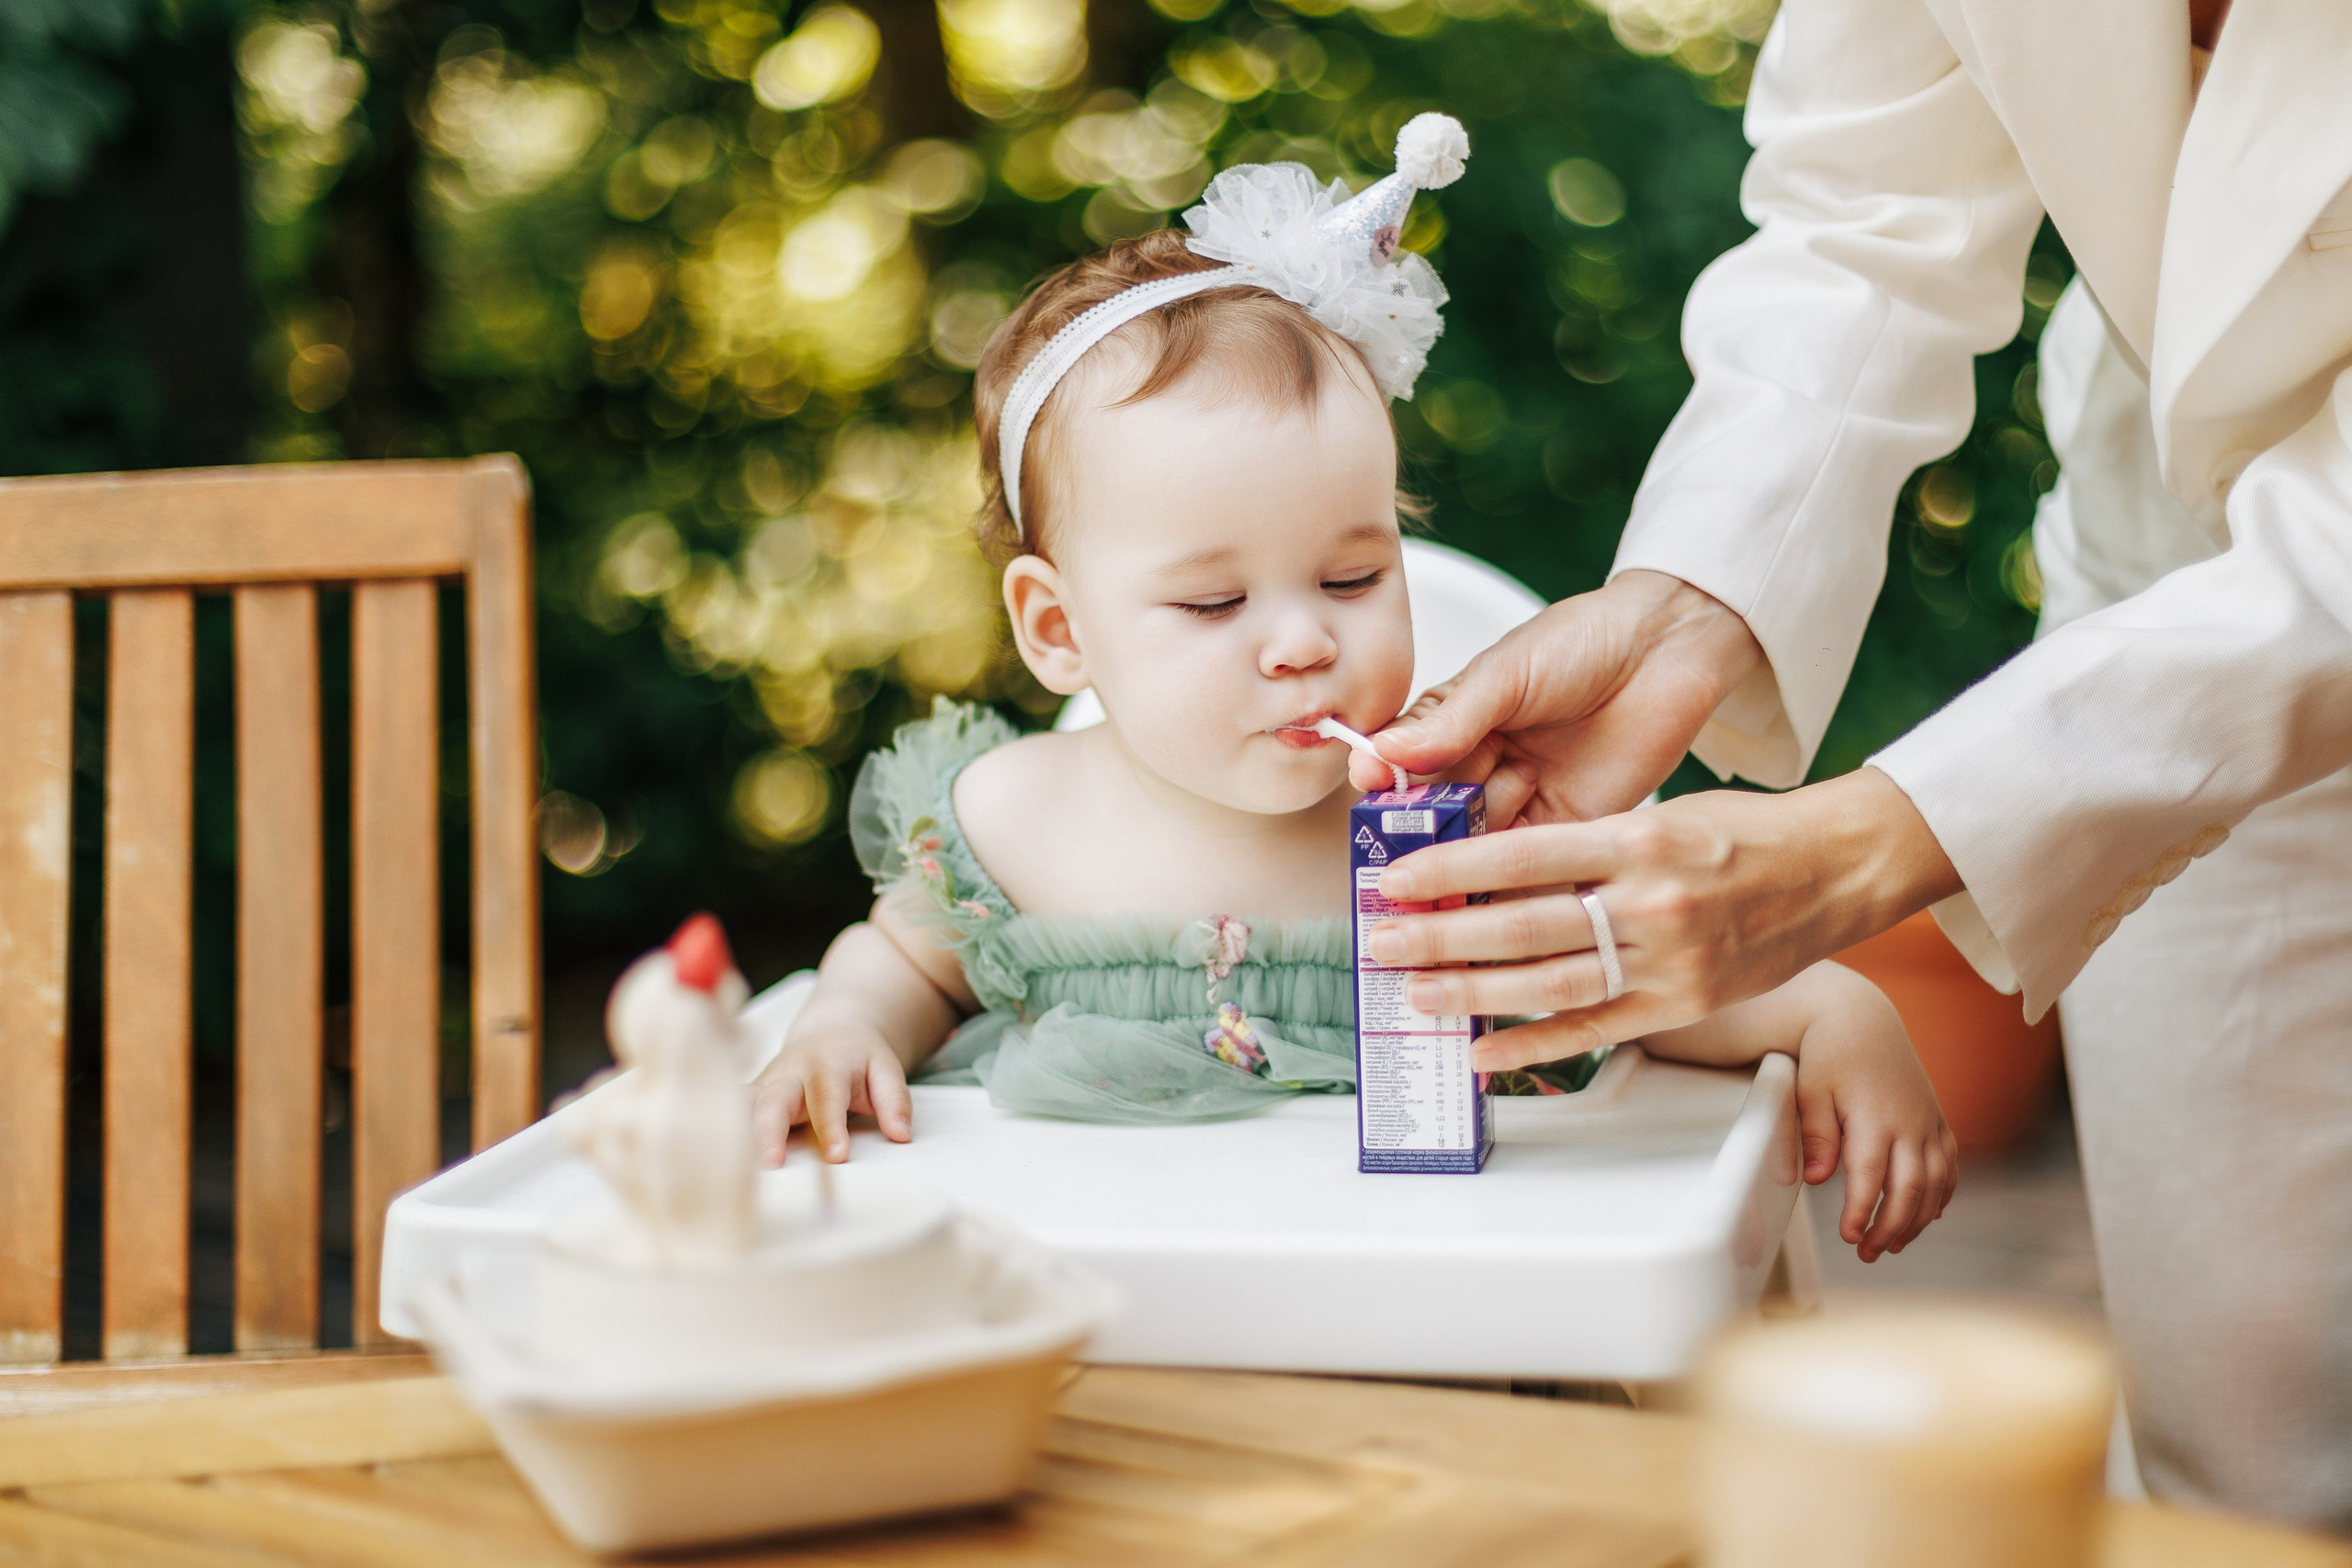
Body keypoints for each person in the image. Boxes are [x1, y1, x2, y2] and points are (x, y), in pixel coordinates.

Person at [1345, 0, 2352, 1529]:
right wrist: (1690, 598)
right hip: (2175, 553)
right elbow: (1872, 210)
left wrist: (1872, 843)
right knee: (2250, 1445)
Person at [752, 125, 1957, 1264]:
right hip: (1108, 1297)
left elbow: (1635, 973)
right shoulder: (1015, 820)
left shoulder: (1460, 826)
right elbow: (903, 964)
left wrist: (1829, 1012)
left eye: (1351, 577)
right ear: (1059, 631)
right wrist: (844, 1026)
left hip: (1428, 1298)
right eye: (1213, 603)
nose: (1300, 642)